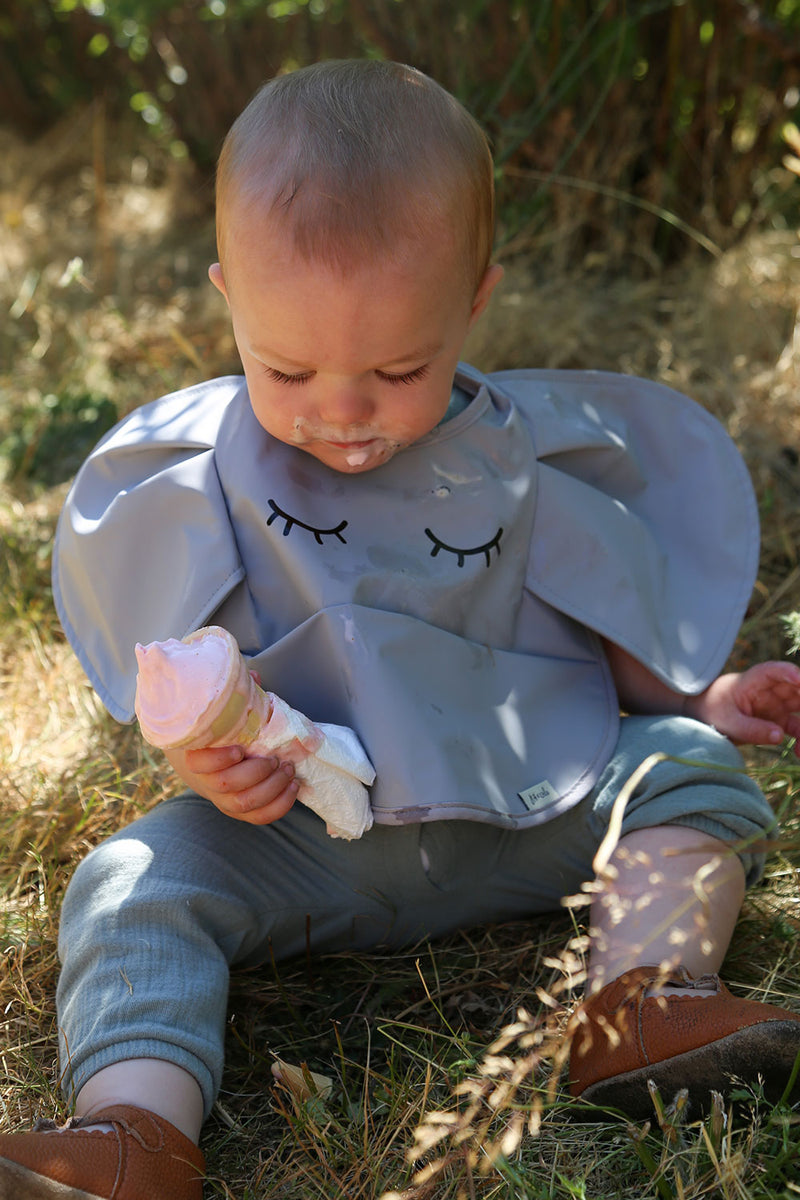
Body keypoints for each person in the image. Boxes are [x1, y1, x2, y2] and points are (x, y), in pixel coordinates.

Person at [2, 58, 800, 1200]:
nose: (341, 412)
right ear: (228, 298)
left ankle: (642, 1004)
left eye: (397, 368)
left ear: (473, 300)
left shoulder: (523, 457)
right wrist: (206, 764)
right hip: (306, 841)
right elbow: (182, 672)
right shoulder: (200, 481)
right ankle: (134, 1131)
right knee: (132, 880)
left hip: (530, 803)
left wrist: (695, 699)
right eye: (286, 367)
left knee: (684, 772)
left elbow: (597, 608)